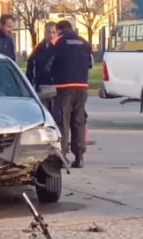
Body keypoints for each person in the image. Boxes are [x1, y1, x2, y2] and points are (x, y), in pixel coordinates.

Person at [46, 20, 92, 168]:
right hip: (82, 87)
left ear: (59, 30)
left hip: (64, 87)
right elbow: (90, 64)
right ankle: (79, 157)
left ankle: (63, 155)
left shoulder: (56, 41)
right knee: (78, 121)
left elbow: (47, 64)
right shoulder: (84, 42)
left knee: (62, 122)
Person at [27, 22, 57, 110]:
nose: (51, 35)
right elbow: (30, 68)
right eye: (48, 32)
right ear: (44, 33)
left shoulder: (60, 48)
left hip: (56, 88)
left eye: (53, 32)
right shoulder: (38, 48)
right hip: (41, 87)